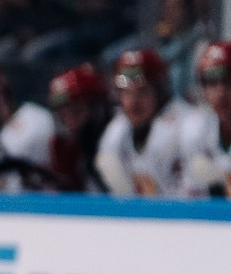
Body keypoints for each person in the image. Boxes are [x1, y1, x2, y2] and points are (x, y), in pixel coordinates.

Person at [96, 47, 189, 197]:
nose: (133, 102)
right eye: (126, 92)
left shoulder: (185, 126)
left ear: (160, 91)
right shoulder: (117, 131)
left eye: (143, 90)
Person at [172, 40, 231, 197]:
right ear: (203, 89)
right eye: (212, 83)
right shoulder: (194, 129)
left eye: (228, 81)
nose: (221, 92)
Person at [45, 62, 109, 190]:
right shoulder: (62, 147)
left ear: (96, 109)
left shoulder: (114, 139)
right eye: (62, 115)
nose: (70, 123)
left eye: (76, 111)